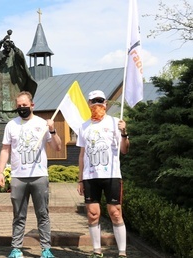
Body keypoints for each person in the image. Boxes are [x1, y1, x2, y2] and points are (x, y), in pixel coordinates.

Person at [0, 91, 62, 258]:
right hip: (18, 177)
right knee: (18, 214)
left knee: (43, 214)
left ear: (32, 105)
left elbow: (57, 147)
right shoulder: (11, 125)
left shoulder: (42, 124)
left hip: (39, 176)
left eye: (25, 105)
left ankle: (46, 249)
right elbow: (5, 149)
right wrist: (0, 172)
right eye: (19, 106)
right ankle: (16, 248)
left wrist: (53, 131)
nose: (22, 108)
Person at [76, 90, 130, 258]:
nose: (97, 104)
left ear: (106, 103)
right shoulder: (83, 126)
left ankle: (122, 253)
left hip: (112, 175)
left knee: (115, 213)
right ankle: (97, 251)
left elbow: (125, 150)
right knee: (93, 214)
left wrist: (124, 133)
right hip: (90, 177)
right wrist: (80, 179)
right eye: (94, 101)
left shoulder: (116, 123)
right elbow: (81, 154)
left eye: (100, 101)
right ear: (89, 103)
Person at [0, 30, 38, 122]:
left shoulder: (15, 55)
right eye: (5, 45)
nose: (7, 46)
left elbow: (21, 59)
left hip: (14, 93)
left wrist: (14, 47)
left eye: (9, 45)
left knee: (17, 120)